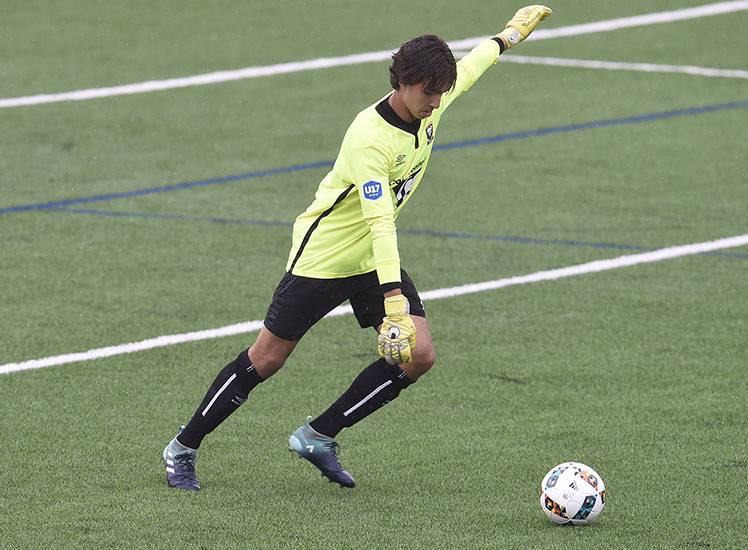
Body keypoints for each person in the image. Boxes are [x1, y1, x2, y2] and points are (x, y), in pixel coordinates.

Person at [163, 5, 553, 491]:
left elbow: (471, 67)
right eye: (429, 92)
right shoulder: (369, 139)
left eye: (440, 92)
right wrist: (394, 302)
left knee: (419, 356)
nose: (436, 101)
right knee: (267, 358)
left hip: (370, 259)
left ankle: (318, 434)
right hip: (325, 258)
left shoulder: (435, 99)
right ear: (404, 82)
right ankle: (183, 446)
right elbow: (379, 220)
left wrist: (509, 35)